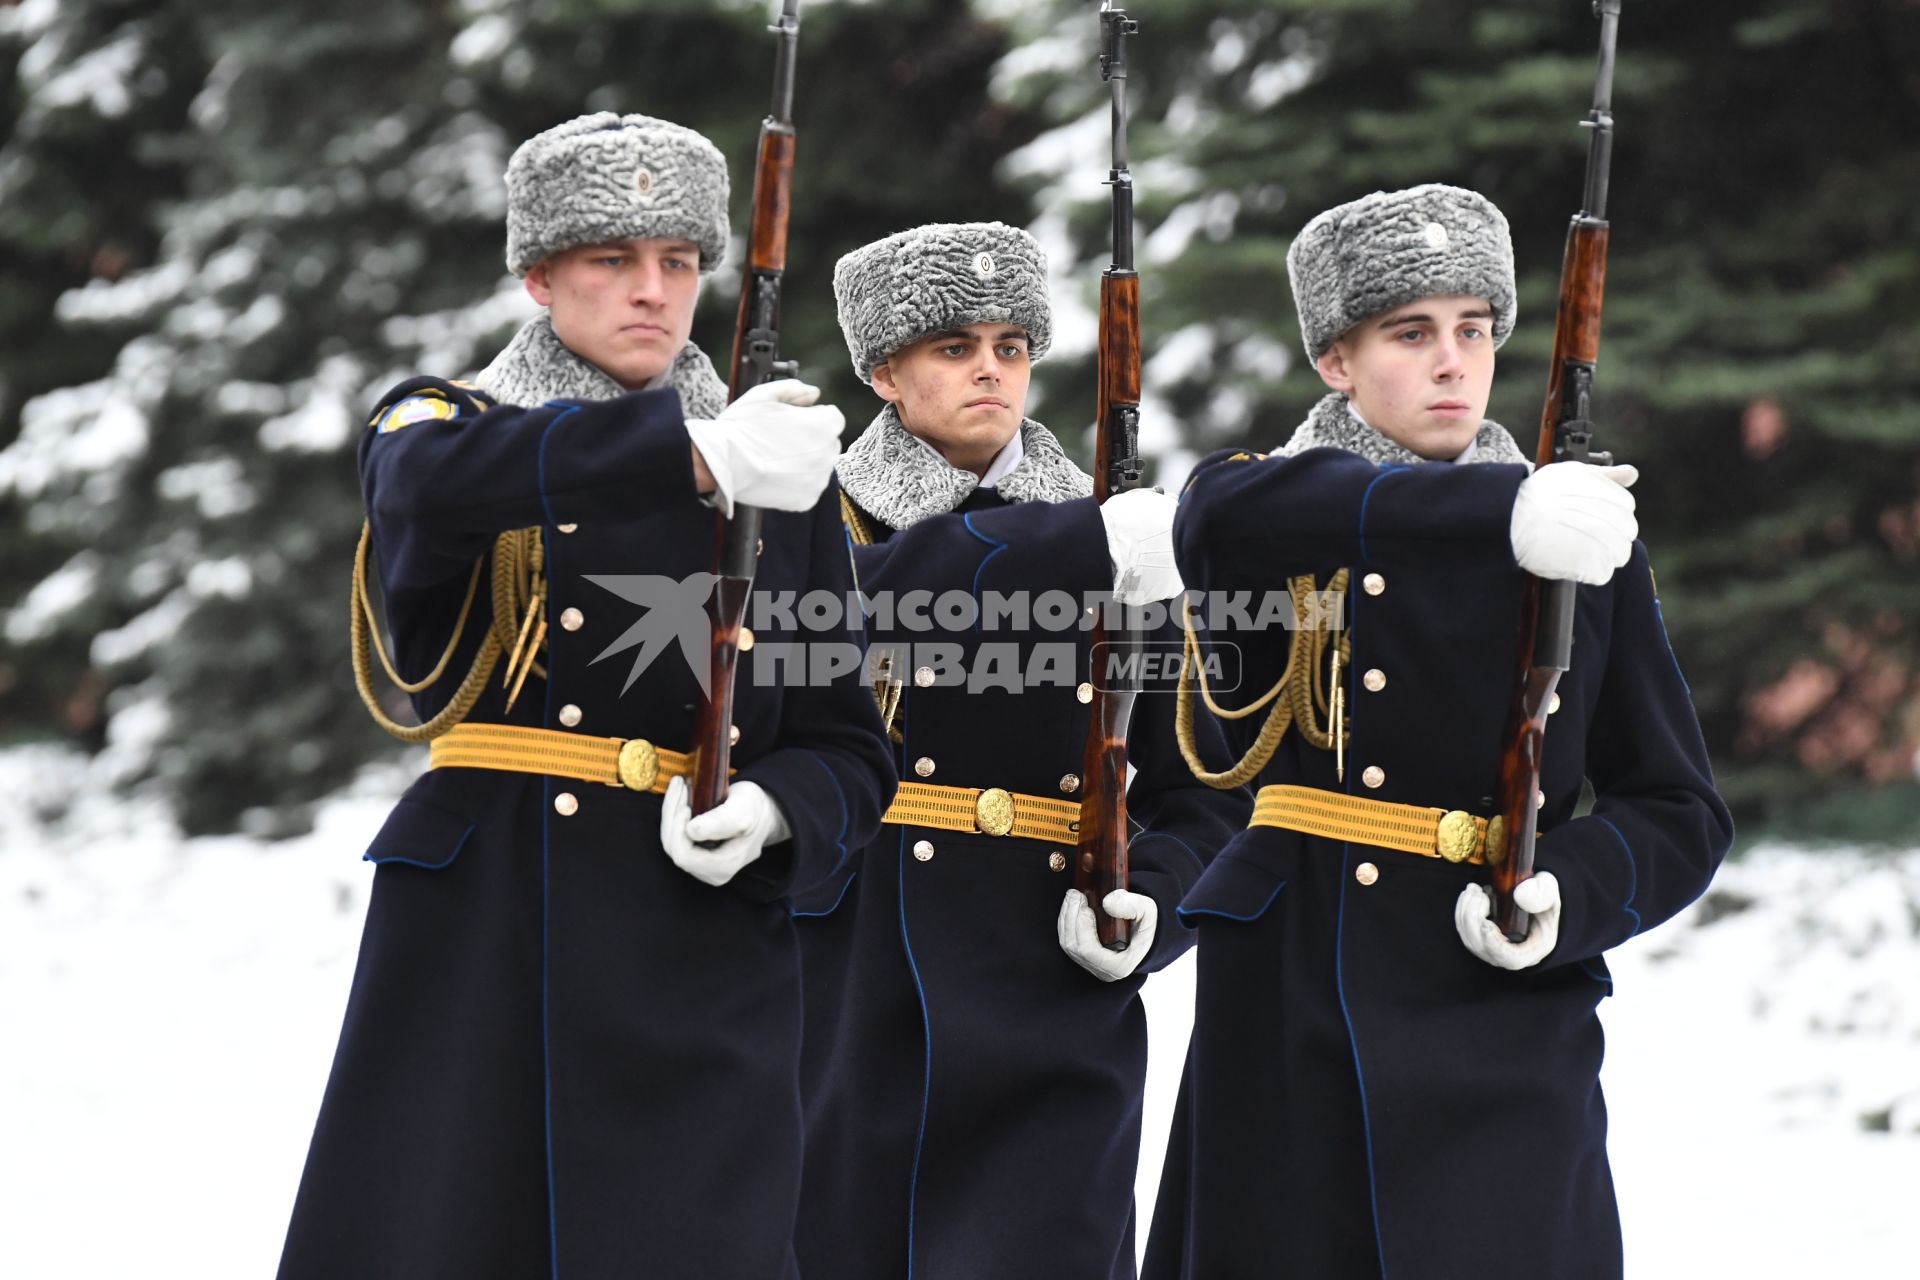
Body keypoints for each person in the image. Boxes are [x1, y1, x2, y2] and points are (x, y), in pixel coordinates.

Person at [278, 112, 895, 1279]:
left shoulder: (788, 478)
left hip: (697, 940)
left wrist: (777, 812)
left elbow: (847, 748)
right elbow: (419, 488)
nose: (651, 292)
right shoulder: (449, 423)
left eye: (676, 262)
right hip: (489, 927)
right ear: (539, 275)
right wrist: (693, 454)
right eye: (612, 260)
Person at [1141, 184, 1733, 1280]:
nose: (1453, 361)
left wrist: (1571, 889)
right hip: (1295, 993)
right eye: (1410, 334)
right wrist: (1501, 512)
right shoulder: (1267, 504)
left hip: (1500, 995)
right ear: (1335, 359)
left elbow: (1679, 808)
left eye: (1475, 329)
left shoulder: (1577, 539)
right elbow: (1219, 517)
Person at [793, 221, 1248, 1279]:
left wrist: (1151, 909)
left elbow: (1208, 795)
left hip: (1053, 985)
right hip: (851, 981)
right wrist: (1070, 543)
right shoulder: (814, 516)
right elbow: (825, 620)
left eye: (1011, 344)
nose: (990, 370)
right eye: (954, 347)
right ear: (884, 372)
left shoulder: (1121, 544)